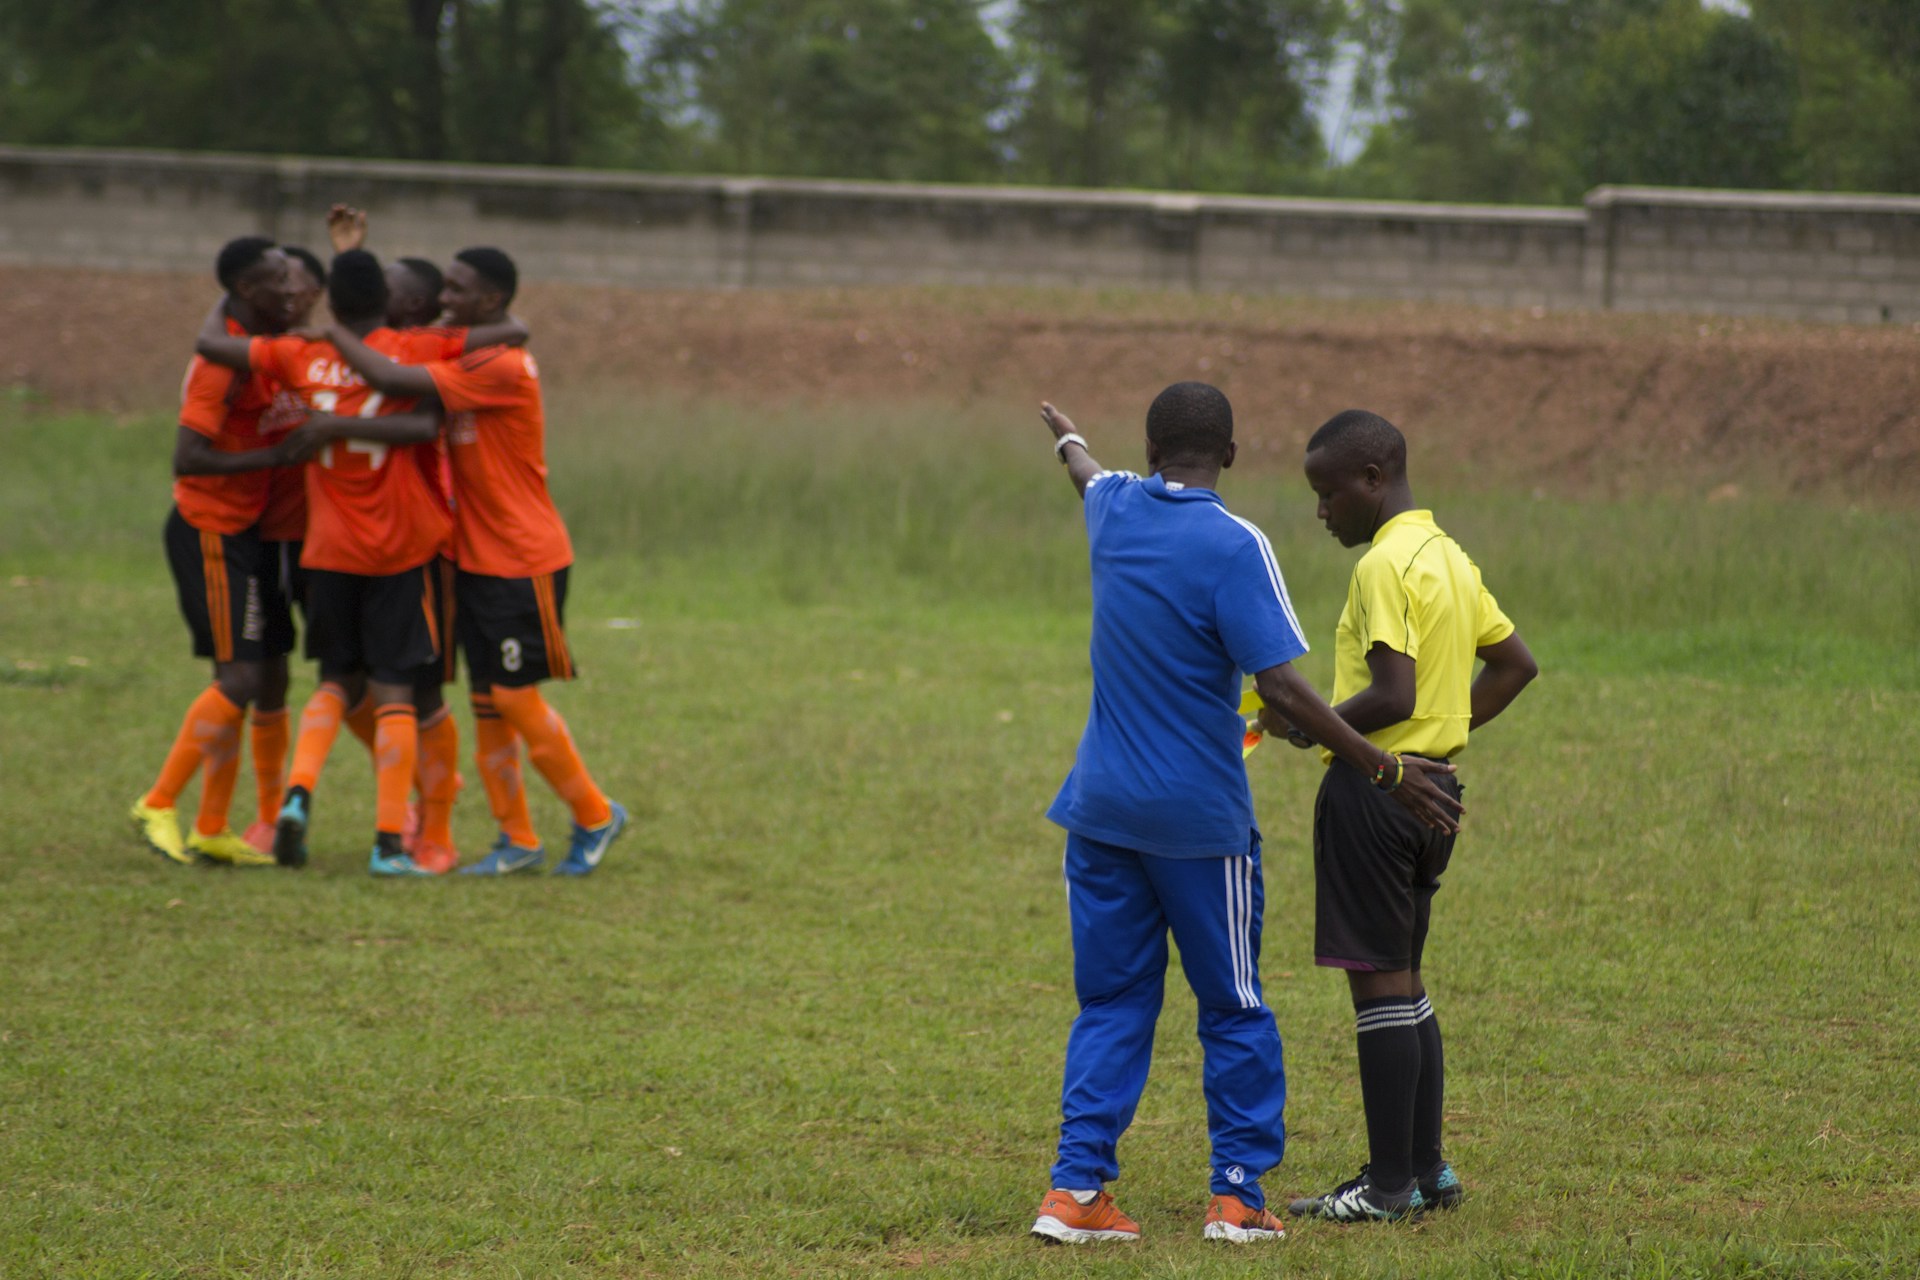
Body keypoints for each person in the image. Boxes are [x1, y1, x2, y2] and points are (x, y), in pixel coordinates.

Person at [1029, 386, 1462, 1246]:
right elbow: (1282, 685)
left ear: (1149, 451)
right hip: (1198, 825)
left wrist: (1068, 436)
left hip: (1101, 809)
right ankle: (1236, 1196)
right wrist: (1382, 766)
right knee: (1231, 1004)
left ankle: (1075, 1191)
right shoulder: (1237, 543)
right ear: (1229, 455)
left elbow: (1084, 474)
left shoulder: (1113, 507)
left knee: (1111, 1000)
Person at [1275, 409, 1536, 1223]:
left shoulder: (1385, 566)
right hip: (1434, 791)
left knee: (1379, 985)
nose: (1321, 512)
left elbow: (1393, 693)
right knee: (1408, 982)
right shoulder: (1450, 557)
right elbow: (1515, 665)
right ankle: (1427, 1171)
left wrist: (1308, 721)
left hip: (1378, 791)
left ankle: (1388, 1188)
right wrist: (1439, 740)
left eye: (1327, 493)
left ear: (1373, 480)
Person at [322, 247, 627, 877]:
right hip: (475, 558)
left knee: (514, 698)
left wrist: (329, 332)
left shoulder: (501, 365)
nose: (445, 300)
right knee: (488, 704)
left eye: (458, 290)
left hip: (523, 558)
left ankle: (596, 815)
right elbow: (397, 332)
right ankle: (517, 840)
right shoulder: (466, 348)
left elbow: (392, 376)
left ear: (490, 300)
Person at [196, 250, 456, 876]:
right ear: (390, 303)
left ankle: (296, 795)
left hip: (330, 549)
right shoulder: (416, 349)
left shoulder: (297, 353)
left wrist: (229, 292)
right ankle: (390, 841)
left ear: (330, 302)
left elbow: (210, 344)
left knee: (334, 682)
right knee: (394, 688)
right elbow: (425, 420)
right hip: (400, 546)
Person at [130, 236, 303, 868]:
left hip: (247, 532)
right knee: (240, 678)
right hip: (210, 530)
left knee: (249, 676)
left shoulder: (252, 343)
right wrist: (276, 457)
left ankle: (210, 825)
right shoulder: (222, 364)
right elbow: (188, 457)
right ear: (250, 292)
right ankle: (158, 801)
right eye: (279, 281)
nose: (292, 289)